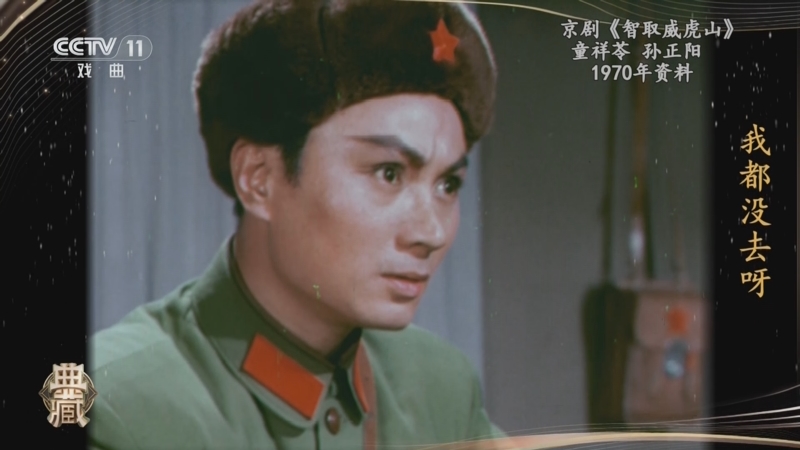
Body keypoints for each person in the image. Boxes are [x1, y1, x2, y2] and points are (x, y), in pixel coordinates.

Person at [88, 0, 501, 448]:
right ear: (258, 179)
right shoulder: (115, 406)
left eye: (447, 184)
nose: (432, 232)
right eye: (388, 173)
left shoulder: (440, 387)